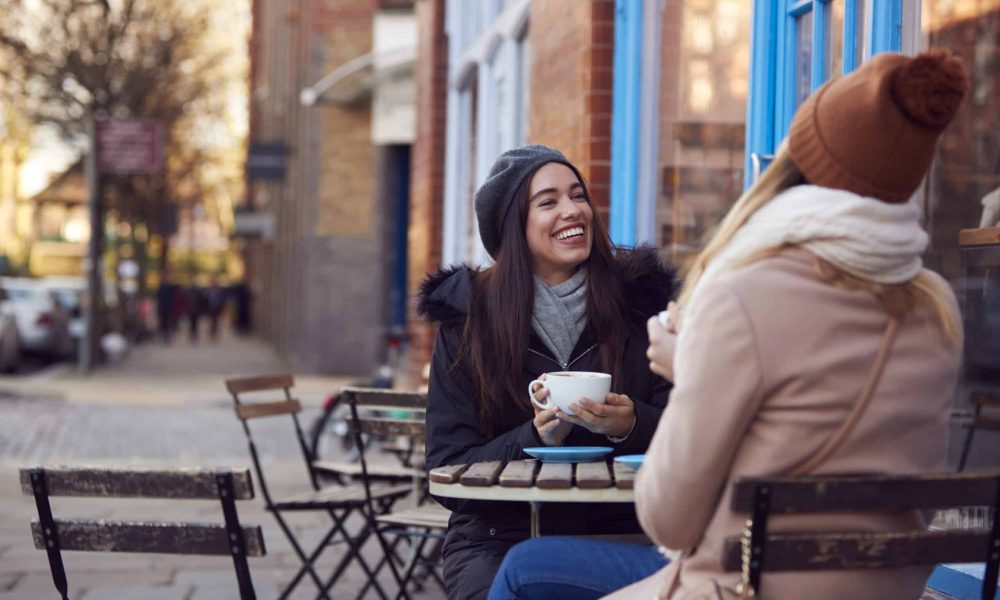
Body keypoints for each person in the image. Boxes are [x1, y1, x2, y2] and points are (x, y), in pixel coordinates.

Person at [488, 49, 968, 600]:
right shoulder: (936, 309)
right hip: (885, 591)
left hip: (745, 589)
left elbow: (669, 520)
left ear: (797, 163)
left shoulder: (742, 293)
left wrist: (690, 365)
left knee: (525, 570)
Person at [418, 145, 675, 600]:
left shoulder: (640, 303)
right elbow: (448, 469)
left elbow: (689, 432)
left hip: (622, 530)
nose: (573, 210)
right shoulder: (469, 318)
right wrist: (533, 439)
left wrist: (632, 424)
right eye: (548, 201)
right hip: (499, 537)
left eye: (578, 196)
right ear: (514, 227)